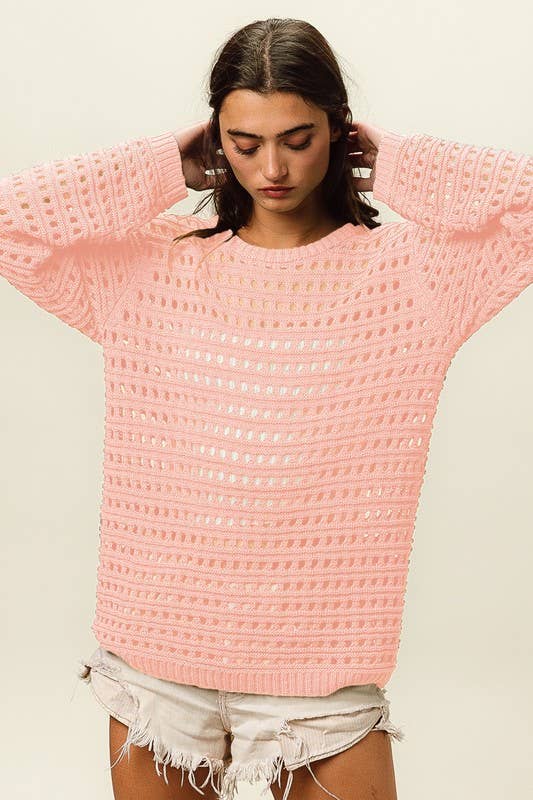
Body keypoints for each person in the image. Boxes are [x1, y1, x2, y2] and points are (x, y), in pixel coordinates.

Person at [2, 16, 531, 800]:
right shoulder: (151, 265)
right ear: (216, 139)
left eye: (298, 138)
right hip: (157, 661)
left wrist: (400, 165)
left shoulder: (413, 277)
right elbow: (11, 225)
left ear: (338, 131)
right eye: (244, 143)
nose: (272, 168)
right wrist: (162, 166)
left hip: (321, 682)